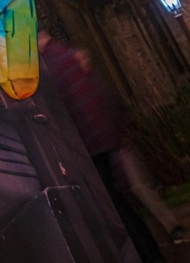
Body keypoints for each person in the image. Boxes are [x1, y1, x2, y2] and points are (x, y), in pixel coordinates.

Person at [37, 30, 169, 263]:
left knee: (114, 205)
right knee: (118, 201)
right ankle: (150, 253)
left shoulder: (51, 64)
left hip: (91, 144)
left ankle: (148, 255)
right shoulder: (65, 54)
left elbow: (67, 109)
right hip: (102, 138)